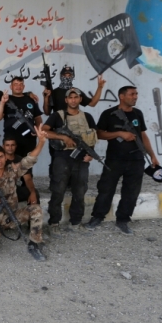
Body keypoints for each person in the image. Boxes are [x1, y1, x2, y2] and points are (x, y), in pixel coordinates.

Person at [85, 86, 160, 235]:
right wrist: (120, 133)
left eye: (136, 94)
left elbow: (143, 135)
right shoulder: (109, 114)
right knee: (106, 189)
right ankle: (98, 216)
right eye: (132, 94)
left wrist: (152, 155)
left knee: (131, 192)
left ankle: (123, 220)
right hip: (115, 159)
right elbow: (99, 134)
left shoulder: (138, 114)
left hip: (136, 159)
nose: (135, 97)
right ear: (122, 96)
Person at [0, 125, 49, 261]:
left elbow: (29, 160)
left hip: (12, 217)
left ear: (5, 157)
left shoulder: (12, 170)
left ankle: (35, 242)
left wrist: (41, 142)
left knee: (36, 210)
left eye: (1, 157)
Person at [42, 88, 99, 233]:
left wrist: (91, 153)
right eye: (70, 97)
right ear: (66, 100)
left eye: (76, 97)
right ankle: (54, 222)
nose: (73, 100)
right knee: (58, 190)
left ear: (80, 99)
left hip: (82, 159)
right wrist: (63, 137)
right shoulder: (58, 116)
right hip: (62, 157)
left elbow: (92, 137)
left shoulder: (87, 116)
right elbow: (44, 131)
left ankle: (76, 222)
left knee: (80, 192)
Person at [0, 77, 43, 159]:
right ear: (11, 87)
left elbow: (37, 117)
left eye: (21, 84)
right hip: (11, 138)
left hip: (29, 138)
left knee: (28, 163)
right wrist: (3, 102)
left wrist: (37, 129)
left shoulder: (31, 99)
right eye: (15, 84)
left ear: (24, 87)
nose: (18, 86)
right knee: (10, 163)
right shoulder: (7, 99)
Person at [0, 136, 38, 205]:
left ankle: (33, 214)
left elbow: (28, 179)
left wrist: (32, 192)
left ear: (16, 146)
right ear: (3, 146)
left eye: (12, 145)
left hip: (13, 189)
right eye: (7, 145)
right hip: (0, 190)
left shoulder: (20, 160)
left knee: (34, 193)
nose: (10, 147)